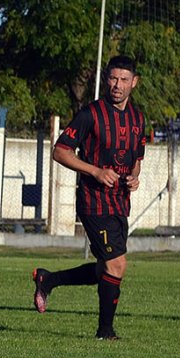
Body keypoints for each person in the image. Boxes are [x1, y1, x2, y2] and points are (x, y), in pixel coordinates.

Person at [32, 55, 145, 340]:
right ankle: (105, 332)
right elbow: (60, 151)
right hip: (94, 202)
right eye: (112, 78)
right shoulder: (90, 114)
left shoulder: (138, 118)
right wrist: (94, 171)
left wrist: (133, 176)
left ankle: (49, 279)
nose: (117, 85)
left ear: (134, 82)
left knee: (104, 269)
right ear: (106, 79)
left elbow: (137, 158)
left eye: (123, 80)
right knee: (117, 264)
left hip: (120, 202)